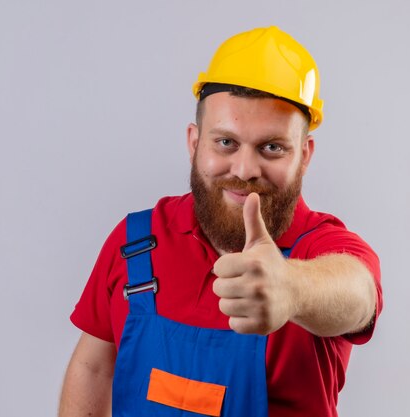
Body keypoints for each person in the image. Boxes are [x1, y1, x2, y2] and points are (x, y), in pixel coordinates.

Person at [59, 26, 382, 417]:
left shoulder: (322, 249)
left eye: (272, 147)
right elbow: (93, 368)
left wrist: (292, 288)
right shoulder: (136, 243)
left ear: (305, 156)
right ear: (195, 143)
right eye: (226, 142)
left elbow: (358, 294)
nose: (245, 169)